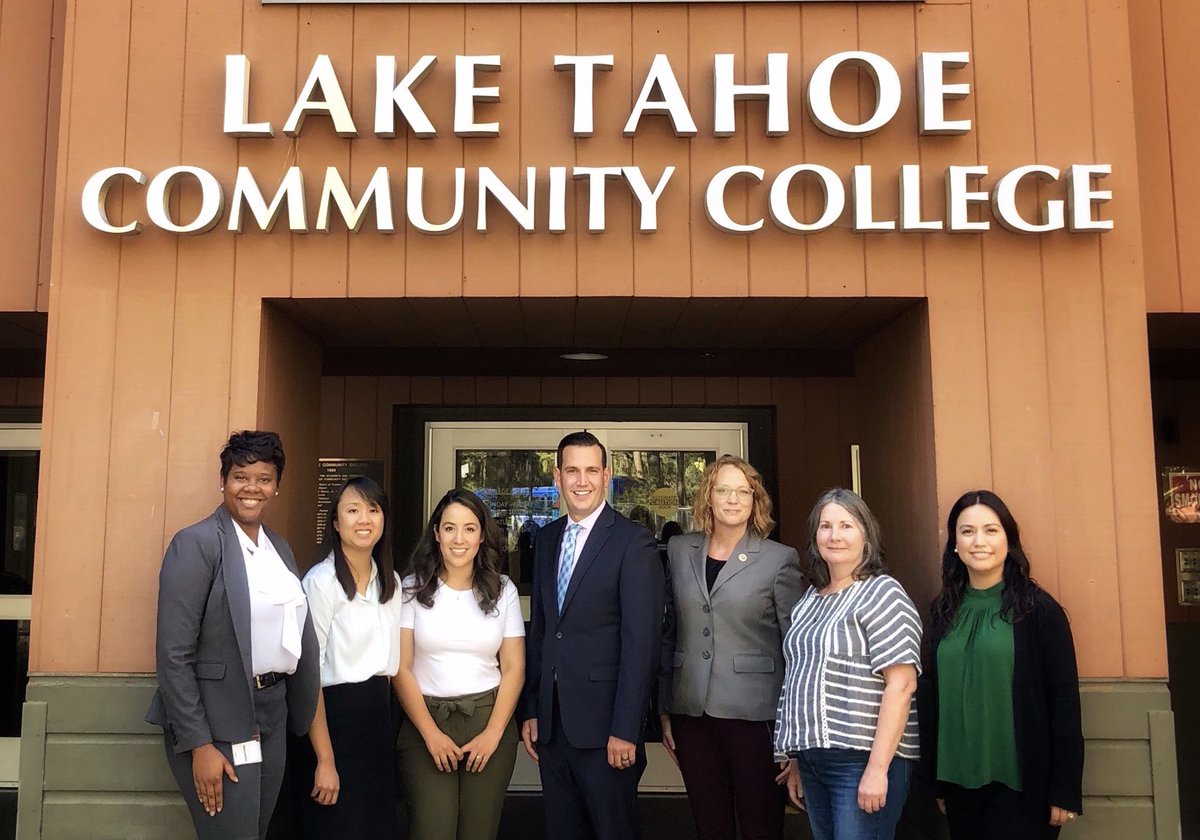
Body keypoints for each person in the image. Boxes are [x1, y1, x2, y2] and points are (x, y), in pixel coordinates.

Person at [146, 430, 319, 840]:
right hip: (218, 723)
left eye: (264, 478)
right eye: (241, 476)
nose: (252, 488)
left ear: (276, 486)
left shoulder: (279, 547)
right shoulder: (197, 544)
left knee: (255, 832)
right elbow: (174, 654)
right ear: (223, 481)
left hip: (272, 714)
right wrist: (199, 744)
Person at [519, 431, 665, 840]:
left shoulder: (633, 542)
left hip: (606, 729)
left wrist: (626, 728)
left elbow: (642, 644)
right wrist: (532, 706)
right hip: (552, 726)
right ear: (557, 476)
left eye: (590, 471)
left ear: (606, 475)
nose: (581, 481)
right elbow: (544, 630)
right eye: (571, 471)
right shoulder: (546, 539)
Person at [920, 490, 1084, 838]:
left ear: (1009, 540)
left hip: (1023, 788)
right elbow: (933, 697)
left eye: (991, 530)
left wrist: (1064, 789)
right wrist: (938, 782)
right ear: (954, 544)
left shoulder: (1040, 612)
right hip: (958, 783)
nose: (979, 541)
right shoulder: (941, 612)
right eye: (967, 531)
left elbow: (1065, 703)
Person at [660, 455, 804, 840]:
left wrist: (793, 736)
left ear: (755, 500)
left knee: (761, 826)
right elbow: (669, 631)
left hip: (756, 718)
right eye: (723, 490)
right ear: (708, 497)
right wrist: (665, 712)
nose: (733, 499)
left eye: (743, 491)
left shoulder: (779, 559)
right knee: (710, 824)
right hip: (691, 713)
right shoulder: (678, 550)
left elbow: (797, 648)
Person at [775, 488, 922, 840]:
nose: (834, 535)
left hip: (862, 761)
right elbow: (798, 678)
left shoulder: (883, 593)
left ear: (866, 536)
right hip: (814, 760)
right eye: (825, 526)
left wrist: (877, 768)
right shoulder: (811, 599)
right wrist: (795, 757)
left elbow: (901, 686)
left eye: (846, 525)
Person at [394, 488, 525, 840]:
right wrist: (431, 735)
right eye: (449, 528)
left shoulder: (504, 590)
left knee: (478, 832)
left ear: (482, 535)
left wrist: (493, 734)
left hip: (488, 720)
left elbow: (513, 667)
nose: (459, 539)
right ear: (436, 533)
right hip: (426, 723)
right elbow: (401, 667)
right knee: (431, 829)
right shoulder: (410, 589)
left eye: (469, 528)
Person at [294, 476, 401, 838]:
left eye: (373, 510)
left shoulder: (391, 582)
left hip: (377, 722)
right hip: (331, 723)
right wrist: (325, 759)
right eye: (352, 510)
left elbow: (389, 667)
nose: (364, 519)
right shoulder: (321, 583)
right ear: (336, 523)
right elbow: (309, 678)